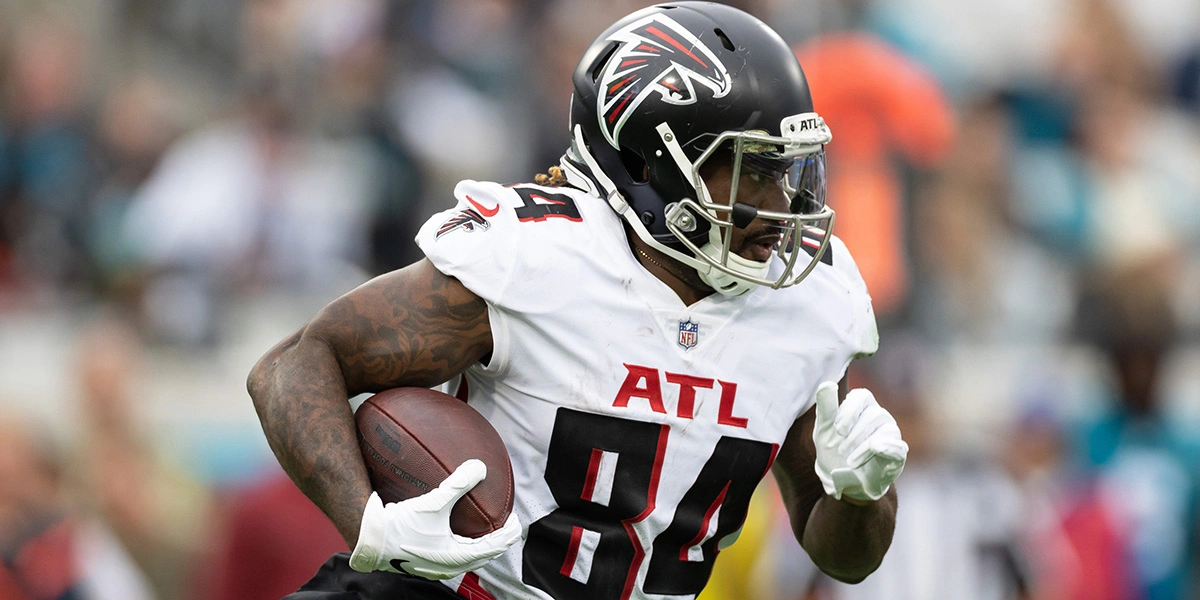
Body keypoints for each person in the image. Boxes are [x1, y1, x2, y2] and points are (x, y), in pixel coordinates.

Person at [247, 3, 908, 599]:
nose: (783, 205)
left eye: (790, 170)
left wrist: (860, 495)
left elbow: (845, 557)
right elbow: (296, 364)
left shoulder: (809, 305)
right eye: (753, 171)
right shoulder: (538, 261)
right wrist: (369, 521)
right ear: (650, 166)